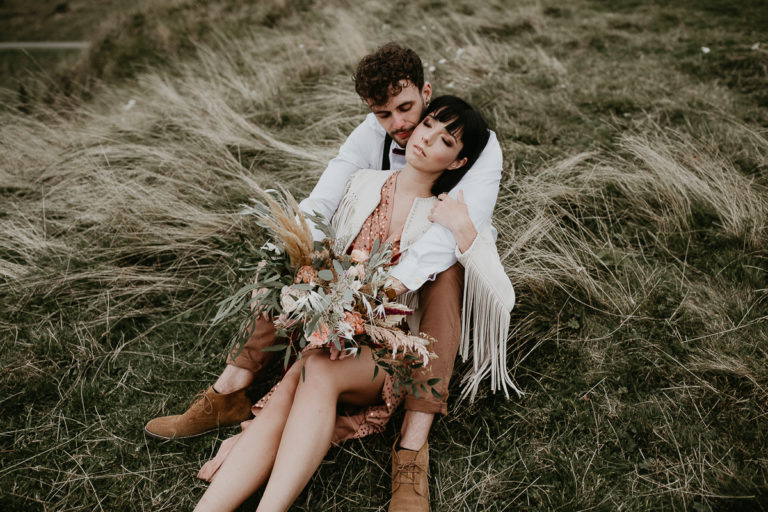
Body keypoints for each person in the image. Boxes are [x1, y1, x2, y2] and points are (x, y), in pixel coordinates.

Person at [145, 43, 510, 511]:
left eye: (410, 112)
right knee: (298, 274)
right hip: (338, 322)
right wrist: (292, 260)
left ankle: (412, 448)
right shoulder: (366, 171)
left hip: (402, 316)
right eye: (390, 116)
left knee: (447, 271)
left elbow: (450, 246)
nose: (406, 129)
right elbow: (322, 203)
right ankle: (230, 394)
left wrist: (381, 292)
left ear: (426, 93)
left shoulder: (474, 161)